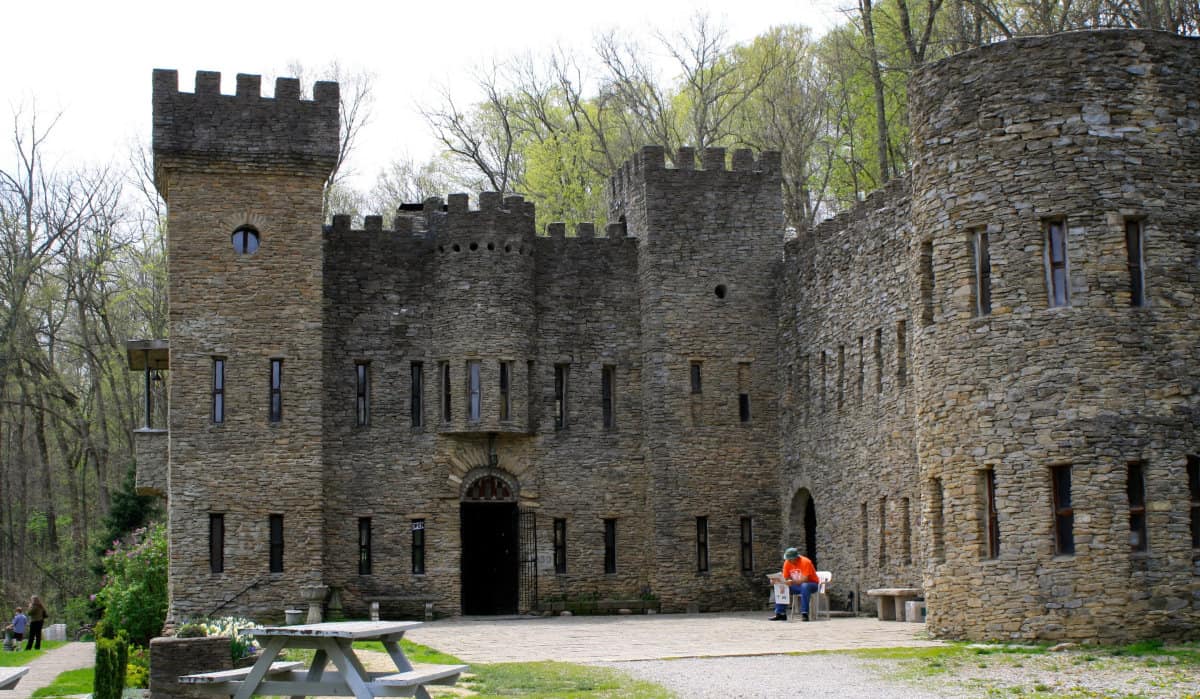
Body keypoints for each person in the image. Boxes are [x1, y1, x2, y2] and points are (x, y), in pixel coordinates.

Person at [769, 547, 819, 621]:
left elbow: (805, 579)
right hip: (797, 586)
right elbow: (785, 578)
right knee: (781, 586)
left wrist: (792, 582)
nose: (788, 560)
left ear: (795, 558)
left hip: (811, 584)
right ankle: (780, 613)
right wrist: (775, 581)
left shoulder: (806, 562)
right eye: (787, 559)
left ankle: (804, 613)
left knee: (804, 586)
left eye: (789, 559)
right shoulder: (787, 562)